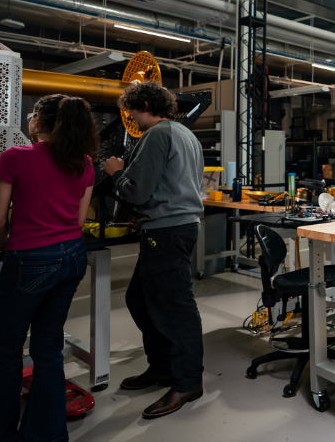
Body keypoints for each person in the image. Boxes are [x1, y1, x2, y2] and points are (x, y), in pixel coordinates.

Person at [0, 94, 98, 442]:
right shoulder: (85, 162)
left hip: (30, 260)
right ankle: (48, 435)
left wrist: (0, 243)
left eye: (31, 115)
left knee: (5, 351)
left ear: (40, 122)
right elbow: (77, 219)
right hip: (73, 257)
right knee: (47, 349)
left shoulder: (15, 156)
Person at [102, 81, 205, 419]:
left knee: (175, 308)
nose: (129, 117)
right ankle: (161, 367)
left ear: (144, 103)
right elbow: (167, 184)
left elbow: (136, 191)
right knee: (140, 299)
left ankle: (187, 382)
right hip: (172, 227)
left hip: (167, 230)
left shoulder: (157, 135)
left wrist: (116, 173)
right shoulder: (185, 133)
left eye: (130, 110)